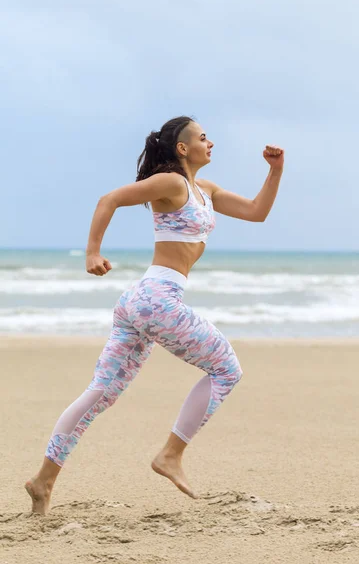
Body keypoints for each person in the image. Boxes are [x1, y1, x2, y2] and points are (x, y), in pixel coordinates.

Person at [25, 115, 284, 514]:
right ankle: (170, 455)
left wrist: (275, 170)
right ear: (183, 148)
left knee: (101, 392)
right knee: (227, 369)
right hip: (158, 300)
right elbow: (108, 199)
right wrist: (92, 251)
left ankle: (43, 480)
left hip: (140, 301)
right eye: (202, 137)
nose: (210, 142)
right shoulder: (172, 183)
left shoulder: (203, 189)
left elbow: (255, 211)